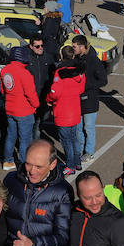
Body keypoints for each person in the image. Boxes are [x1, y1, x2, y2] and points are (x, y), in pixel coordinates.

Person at [0, 46, 39, 172]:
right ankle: (23, 164)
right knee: (25, 140)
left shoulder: (4, 70)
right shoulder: (24, 73)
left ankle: (8, 161)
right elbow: (30, 93)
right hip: (24, 111)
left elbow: (2, 91)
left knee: (11, 136)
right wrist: (36, 105)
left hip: (10, 109)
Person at [48, 45, 86, 176]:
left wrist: (48, 98)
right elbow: (81, 89)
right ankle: (77, 162)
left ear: (62, 56)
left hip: (63, 112)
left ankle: (70, 165)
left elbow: (55, 92)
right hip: (75, 111)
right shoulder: (79, 72)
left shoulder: (60, 72)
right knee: (74, 138)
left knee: (66, 141)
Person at [72, 35, 106, 163]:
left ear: (82, 47)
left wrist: (86, 86)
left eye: (74, 47)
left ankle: (89, 152)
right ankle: (79, 150)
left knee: (89, 127)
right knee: (78, 128)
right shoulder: (76, 59)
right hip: (77, 100)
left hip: (90, 100)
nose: (73, 48)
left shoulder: (94, 60)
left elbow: (103, 80)